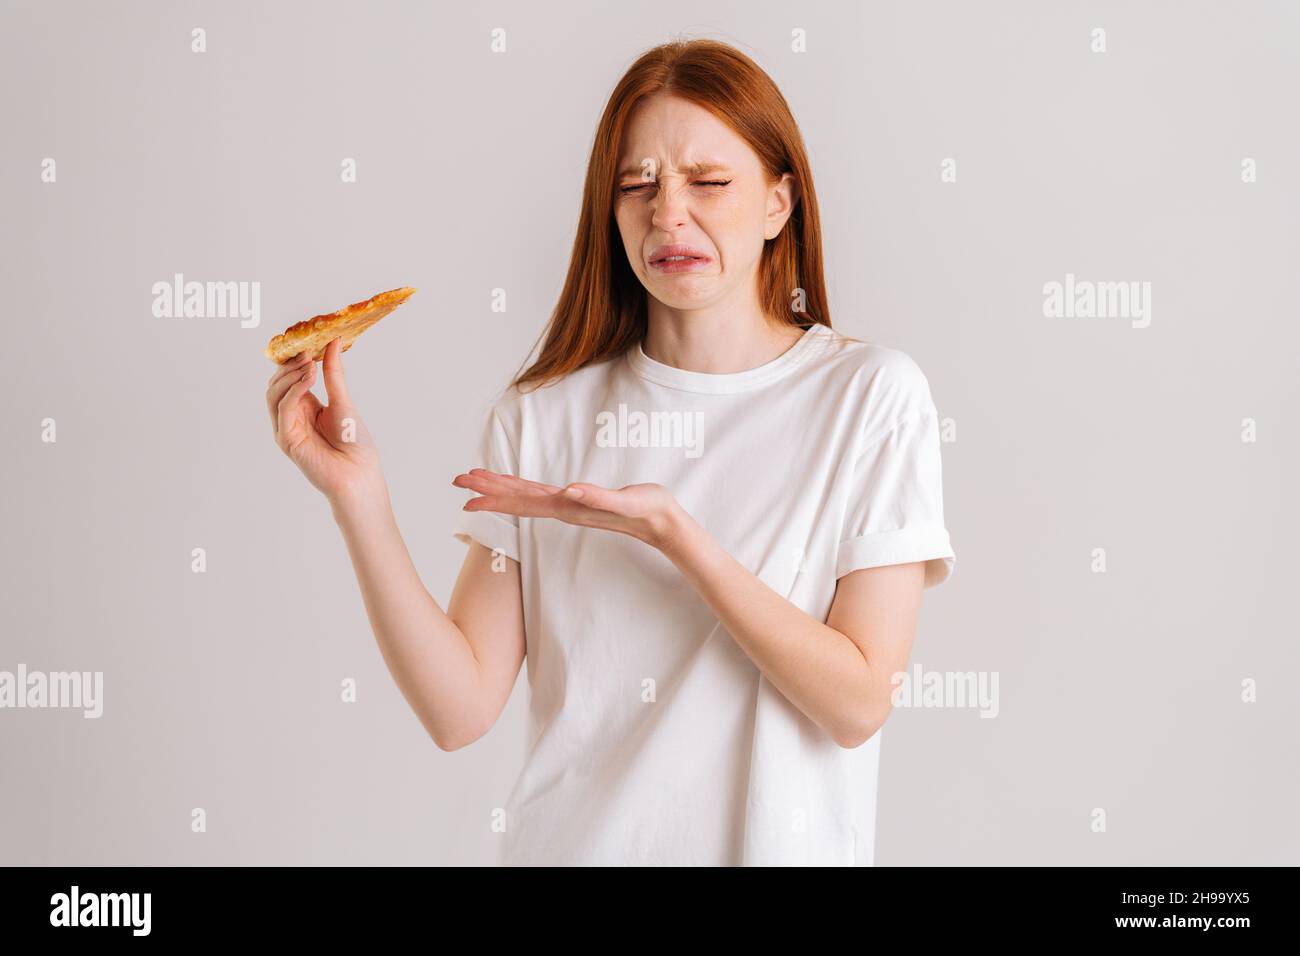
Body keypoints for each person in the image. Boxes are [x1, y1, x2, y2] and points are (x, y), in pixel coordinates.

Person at [266, 38, 956, 866]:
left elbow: (856, 703)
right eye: (638, 185)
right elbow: (459, 711)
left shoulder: (869, 397)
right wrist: (360, 499)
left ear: (779, 203)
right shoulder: (541, 417)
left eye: (708, 182)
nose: (668, 212)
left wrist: (677, 537)